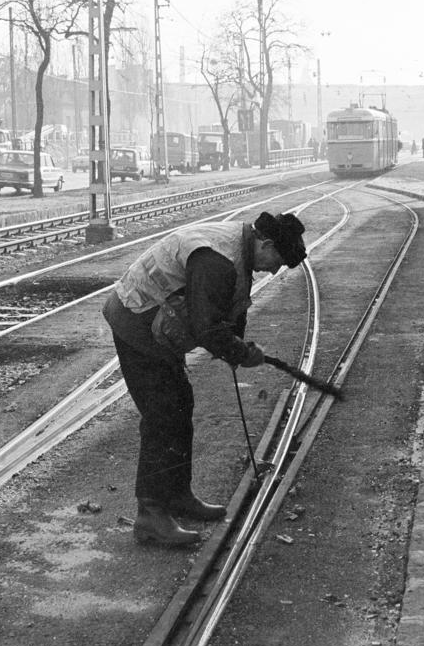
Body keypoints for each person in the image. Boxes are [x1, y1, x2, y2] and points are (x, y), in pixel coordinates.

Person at [103, 209, 308, 548]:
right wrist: (241, 353)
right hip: (136, 323)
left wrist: (239, 345)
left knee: (180, 406)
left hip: (156, 326)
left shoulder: (237, 248)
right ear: (266, 243)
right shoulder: (217, 260)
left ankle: (177, 495)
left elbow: (226, 307)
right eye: (277, 261)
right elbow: (207, 327)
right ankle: (150, 515)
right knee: (163, 415)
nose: (273, 270)